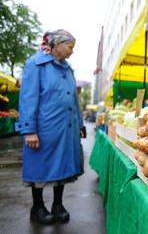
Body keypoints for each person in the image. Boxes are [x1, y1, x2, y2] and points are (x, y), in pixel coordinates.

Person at [15, 29, 85, 224]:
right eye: (70, 47)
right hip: (44, 128)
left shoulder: (67, 68)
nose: (72, 51)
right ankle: (37, 207)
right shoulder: (36, 64)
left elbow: (73, 99)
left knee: (63, 167)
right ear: (57, 45)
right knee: (39, 167)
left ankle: (57, 204)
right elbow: (27, 99)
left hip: (66, 129)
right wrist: (29, 130)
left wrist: (79, 124)